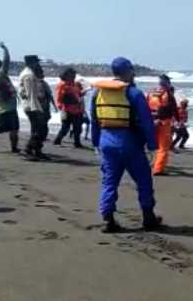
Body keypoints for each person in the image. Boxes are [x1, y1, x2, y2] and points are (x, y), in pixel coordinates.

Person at [90, 57, 163, 233]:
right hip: (129, 143)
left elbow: (94, 120)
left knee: (109, 181)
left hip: (106, 142)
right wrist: (152, 145)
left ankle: (108, 219)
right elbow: (146, 122)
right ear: (127, 72)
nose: (134, 74)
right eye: (132, 70)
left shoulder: (97, 93)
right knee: (144, 180)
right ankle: (148, 217)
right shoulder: (134, 94)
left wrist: (95, 143)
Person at [19, 54, 50, 160]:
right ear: (31, 63)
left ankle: (37, 151)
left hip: (35, 105)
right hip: (33, 106)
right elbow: (31, 94)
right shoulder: (28, 75)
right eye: (36, 62)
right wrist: (36, 108)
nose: (38, 63)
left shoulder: (30, 74)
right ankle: (27, 150)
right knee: (38, 130)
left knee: (38, 129)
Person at [147, 74, 178, 175]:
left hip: (151, 121)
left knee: (148, 145)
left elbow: (144, 105)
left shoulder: (151, 92)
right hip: (164, 123)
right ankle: (158, 169)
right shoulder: (168, 94)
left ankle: (144, 164)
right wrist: (177, 120)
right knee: (163, 147)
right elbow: (174, 109)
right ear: (167, 83)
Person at [53, 67, 85, 147]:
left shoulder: (75, 84)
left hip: (77, 109)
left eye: (74, 75)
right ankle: (57, 141)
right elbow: (58, 97)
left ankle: (77, 143)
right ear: (67, 75)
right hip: (67, 109)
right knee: (65, 127)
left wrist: (82, 93)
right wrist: (61, 108)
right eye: (72, 74)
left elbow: (77, 94)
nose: (74, 76)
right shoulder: (62, 85)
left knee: (78, 128)